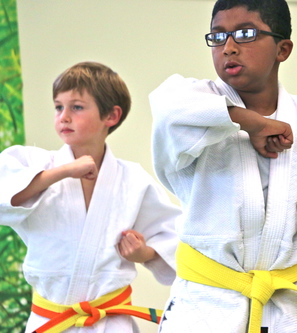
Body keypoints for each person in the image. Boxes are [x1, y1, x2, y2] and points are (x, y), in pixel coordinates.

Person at [149, 0, 297, 332]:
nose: (229, 48)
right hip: (208, 303)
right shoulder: (191, 104)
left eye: (245, 34)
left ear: (283, 49)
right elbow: (166, 111)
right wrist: (248, 121)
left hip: (292, 304)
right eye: (218, 37)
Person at [0, 61, 181, 333]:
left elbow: (172, 236)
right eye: (59, 107)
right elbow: (7, 197)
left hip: (111, 323)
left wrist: (143, 253)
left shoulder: (132, 180)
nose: (64, 116)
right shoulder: (36, 164)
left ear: (111, 116)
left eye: (77, 107)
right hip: (51, 321)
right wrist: (62, 172)